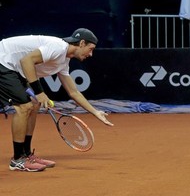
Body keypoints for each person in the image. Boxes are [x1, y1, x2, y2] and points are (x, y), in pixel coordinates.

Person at [0, 28, 114, 172]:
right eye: (90, 49)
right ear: (82, 43)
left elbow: (74, 92)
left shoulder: (63, 62)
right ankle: (17, 160)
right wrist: (40, 92)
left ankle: (27, 154)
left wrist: (95, 112)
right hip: (3, 61)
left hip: (14, 68)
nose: (90, 54)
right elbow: (26, 60)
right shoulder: (58, 47)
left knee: (34, 105)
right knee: (24, 107)